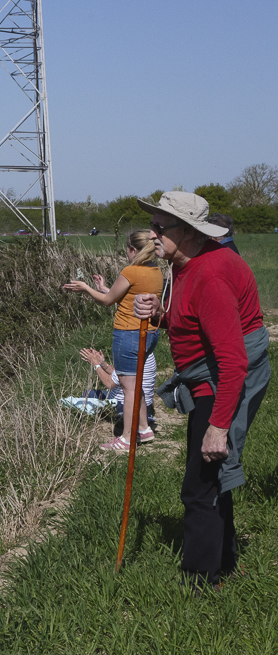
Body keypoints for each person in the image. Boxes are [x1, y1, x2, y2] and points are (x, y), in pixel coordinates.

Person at [133, 190, 270, 589]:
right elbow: (190, 321)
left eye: (160, 227)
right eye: (153, 226)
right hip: (210, 373)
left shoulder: (210, 274)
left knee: (200, 485)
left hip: (221, 379)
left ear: (190, 232)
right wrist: (160, 316)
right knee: (211, 477)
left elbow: (234, 361)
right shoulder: (184, 263)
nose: (153, 234)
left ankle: (200, 580)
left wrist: (218, 425)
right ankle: (223, 563)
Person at [63, 229, 162, 450]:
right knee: (136, 386)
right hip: (149, 333)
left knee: (128, 389)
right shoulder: (155, 271)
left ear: (133, 250)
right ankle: (144, 429)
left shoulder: (131, 270)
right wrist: (104, 288)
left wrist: (86, 288)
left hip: (128, 334)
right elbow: (125, 298)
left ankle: (126, 438)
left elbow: (108, 301)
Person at [77, 347, 157, 431]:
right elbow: (122, 375)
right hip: (145, 406)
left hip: (123, 404)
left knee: (88, 394)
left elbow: (110, 383)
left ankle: (84, 421)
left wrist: (96, 364)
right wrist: (103, 364)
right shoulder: (147, 354)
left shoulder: (129, 355)